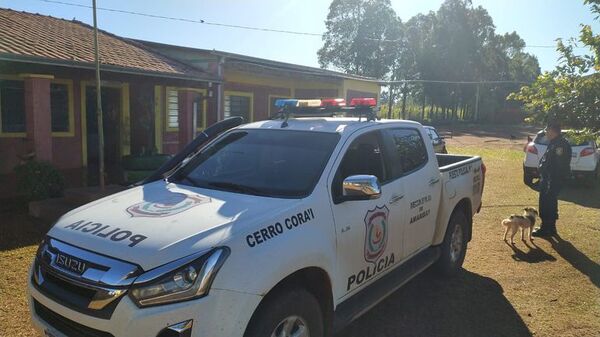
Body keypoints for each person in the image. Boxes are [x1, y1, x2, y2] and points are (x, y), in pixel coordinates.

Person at [532, 122, 571, 237]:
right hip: (549, 178)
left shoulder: (560, 145)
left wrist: (550, 181)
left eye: (547, 131)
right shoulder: (554, 142)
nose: (546, 133)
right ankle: (551, 227)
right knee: (550, 202)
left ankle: (546, 228)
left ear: (553, 131)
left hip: (552, 179)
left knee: (547, 203)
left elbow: (559, 166)